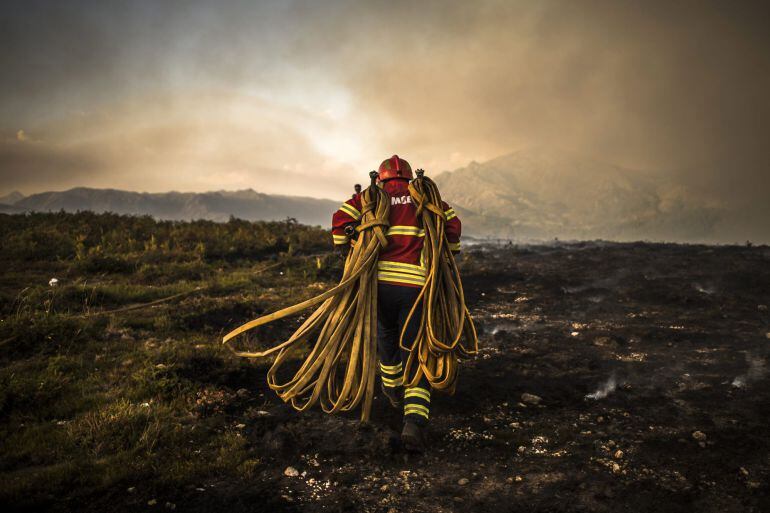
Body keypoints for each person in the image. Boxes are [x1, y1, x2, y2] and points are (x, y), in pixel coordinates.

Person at [330, 155, 462, 451]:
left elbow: (339, 224)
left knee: (386, 342)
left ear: (381, 177)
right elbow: (452, 229)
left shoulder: (368, 197)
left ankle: (392, 392)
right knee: (415, 352)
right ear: (409, 177)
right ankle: (413, 423)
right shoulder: (425, 197)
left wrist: (351, 244)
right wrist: (444, 252)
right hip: (416, 290)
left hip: (377, 288)